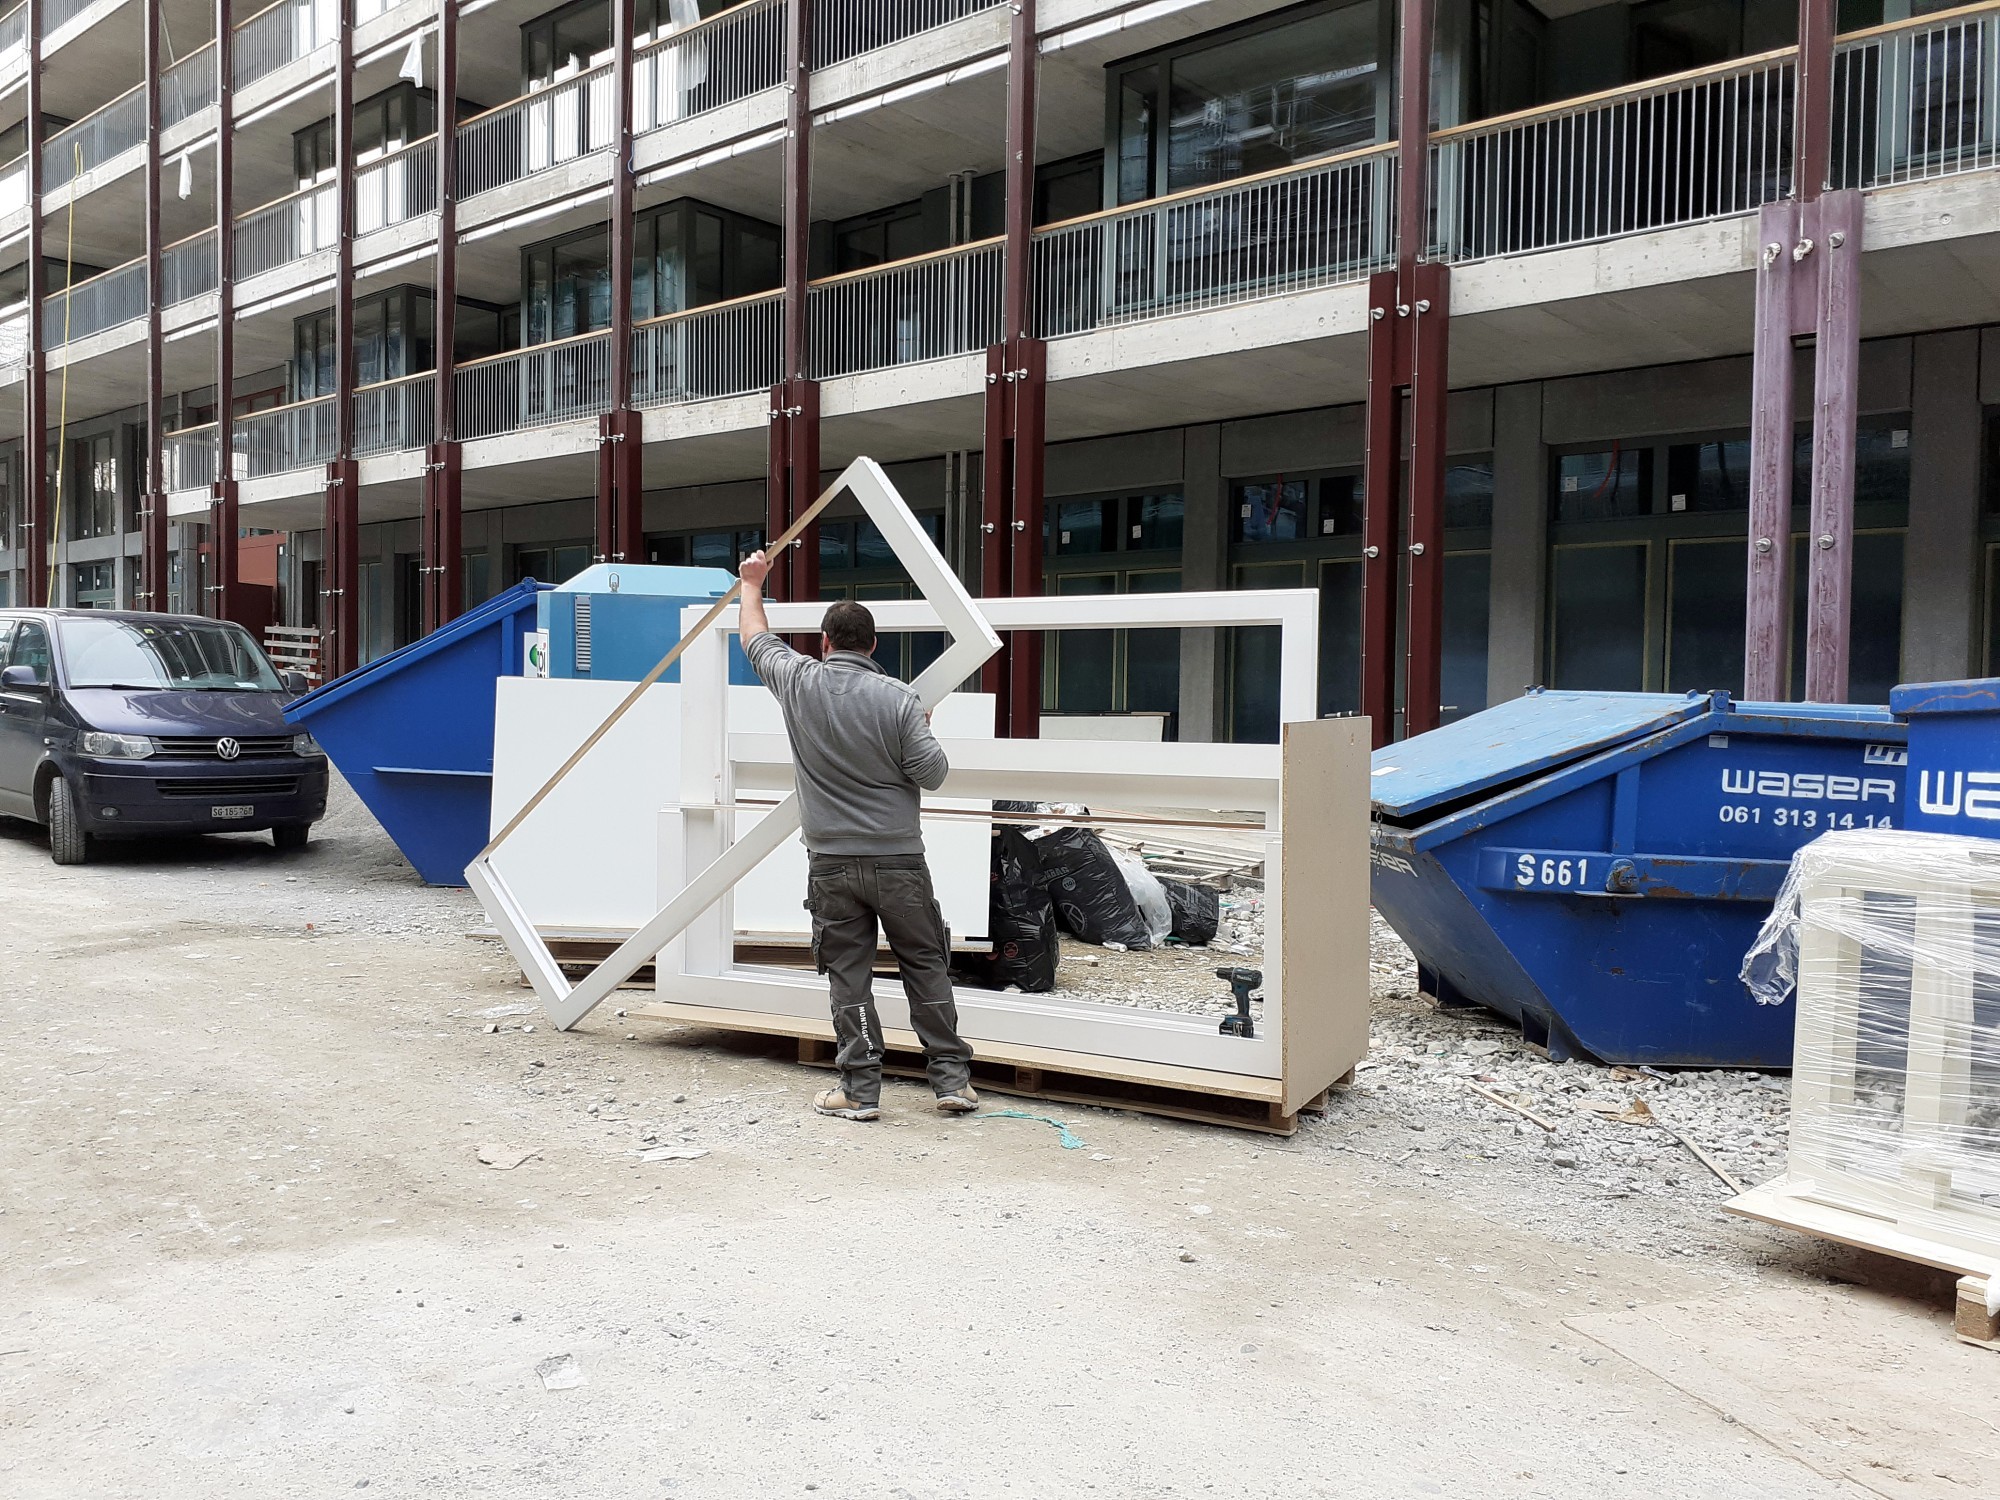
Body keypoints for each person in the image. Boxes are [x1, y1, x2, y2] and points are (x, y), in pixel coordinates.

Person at [736, 549, 978, 1121]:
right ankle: (950, 1082)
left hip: (832, 865)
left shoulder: (797, 682)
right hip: (898, 863)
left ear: (825, 642)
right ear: (873, 646)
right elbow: (935, 775)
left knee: (849, 974)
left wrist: (753, 585)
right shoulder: (900, 701)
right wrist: (924, 731)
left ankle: (860, 1092)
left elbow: (754, 638)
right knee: (925, 963)